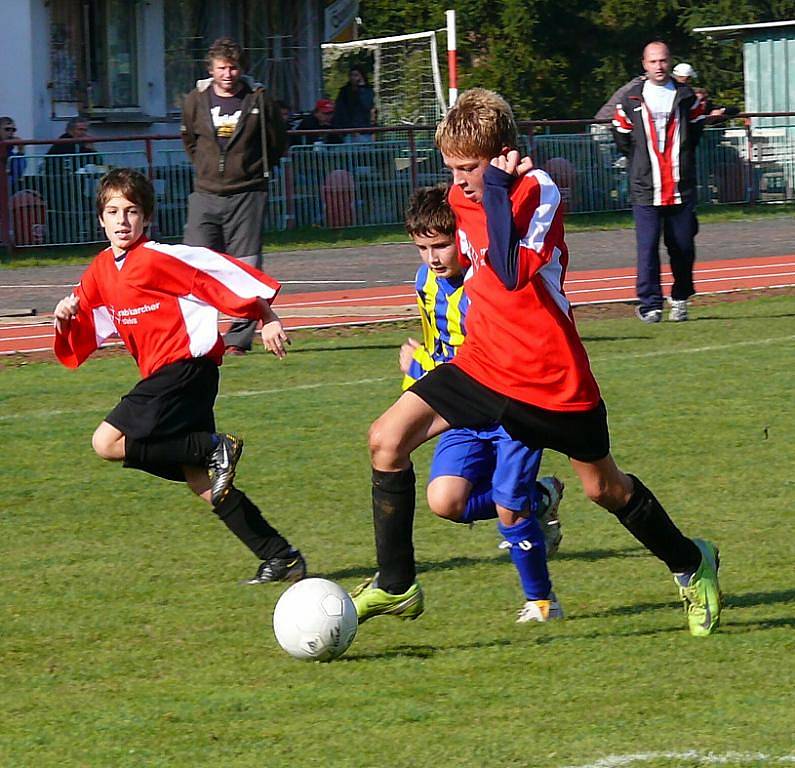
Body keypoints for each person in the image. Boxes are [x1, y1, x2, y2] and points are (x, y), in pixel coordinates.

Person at [352, 88, 721, 638]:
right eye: (451, 168)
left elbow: (508, 271)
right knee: (385, 439)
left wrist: (498, 191)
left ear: (501, 153)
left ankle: (692, 563)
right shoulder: (460, 199)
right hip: (483, 363)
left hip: (551, 378)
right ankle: (398, 583)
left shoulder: (537, 190)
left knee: (605, 489)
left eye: (468, 168)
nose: (458, 181)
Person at [52, 168, 306, 585]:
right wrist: (66, 314)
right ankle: (281, 557)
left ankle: (213, 446)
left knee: (107, 442)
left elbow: (216, 273)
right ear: (100, 219)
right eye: (113, 211)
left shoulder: (156, 258)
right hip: (171, 375)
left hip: (186, 368)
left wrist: (267, 314)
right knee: (202, 481)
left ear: (146, 218)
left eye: (131, 211)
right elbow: (81, 311)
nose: (122, 220)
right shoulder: (101, 269)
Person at [381, 184, 565, 623]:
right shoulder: (426, 282)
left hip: (511, 404)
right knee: (445, 502)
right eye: (422, 247)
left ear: (462, 237)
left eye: (441, 245)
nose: (433, 257)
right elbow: (443, 348)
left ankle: (542, 603)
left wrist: (419, 369)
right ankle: (539, 499)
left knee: (506, 505)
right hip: (462, 409)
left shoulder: (491, 283)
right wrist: (419, 365)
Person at [181, 37, 287, 356]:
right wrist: (205, 167)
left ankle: (239, 339)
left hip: (248, 193)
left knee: (245, 268)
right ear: (211, 68)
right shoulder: (195, 101)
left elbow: (277, 140)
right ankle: (199, 338)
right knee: (194, 266)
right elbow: (189, 139)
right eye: (222, 67)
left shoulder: (258, 99)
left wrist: (253, 170)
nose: (228, 73)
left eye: (234, 67)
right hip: (205, 193)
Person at [612, 42, 706, 323]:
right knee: (648, 247)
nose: (659, 66)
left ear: (670, 62)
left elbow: (696, 133)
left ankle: (679, 297)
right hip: (645, 187)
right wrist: (642, 162)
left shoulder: (687, 97)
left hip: (681, 187)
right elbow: (622, 139)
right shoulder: (630, 99)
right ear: (644, 64)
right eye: (653, 61)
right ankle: (650, 304)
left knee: (683, 246)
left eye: (663, 61)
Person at [333, 65, 375, 142]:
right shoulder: (344, 92)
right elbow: (339, 110)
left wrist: (362, 88)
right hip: (348, 131)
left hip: (363, 129)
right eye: (351, 75)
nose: (353, 78)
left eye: (356, 75)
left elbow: (367, 105)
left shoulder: (368, 90)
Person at [0, 117, 25, 190]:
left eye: (13, 130)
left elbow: (18, 173)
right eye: (7, 129)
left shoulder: (10, 152)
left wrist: (21, 151)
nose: (11, 132)